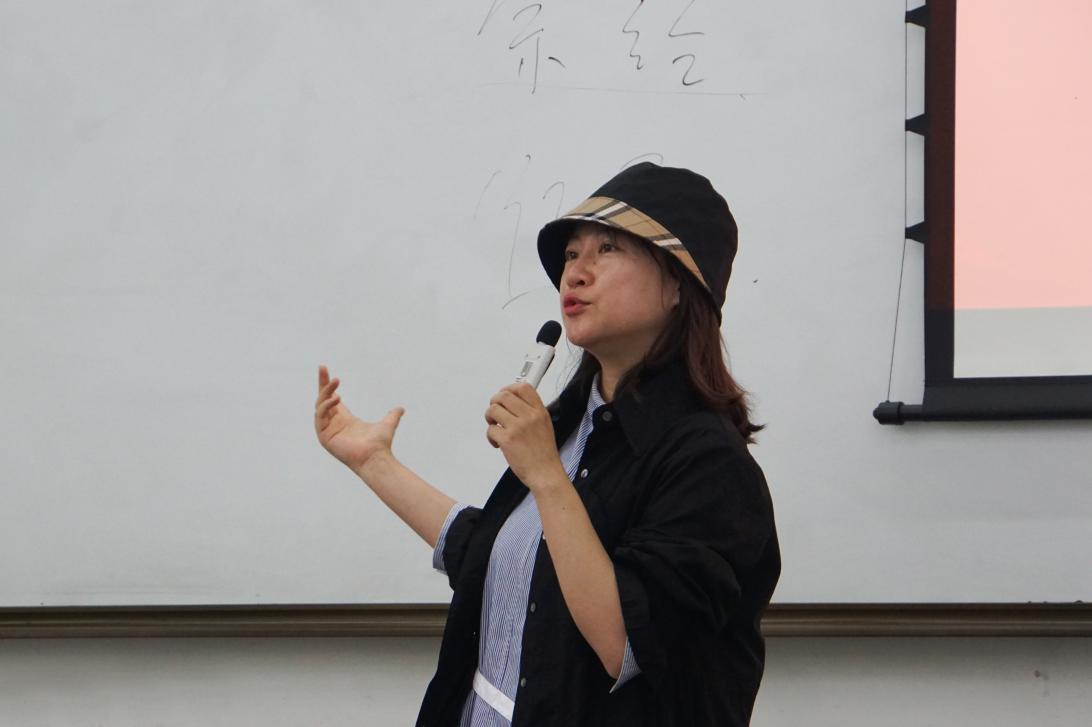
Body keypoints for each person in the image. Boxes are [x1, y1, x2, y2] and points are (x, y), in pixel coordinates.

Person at [314, 162, 780, 726]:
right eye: (571, 254)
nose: (575, 274)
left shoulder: (710, 464)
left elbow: (625, 643)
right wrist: (374, 463)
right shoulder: (567, 425)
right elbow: (501, 559)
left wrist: (545, 475)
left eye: (607, 249)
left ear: (680, 284)